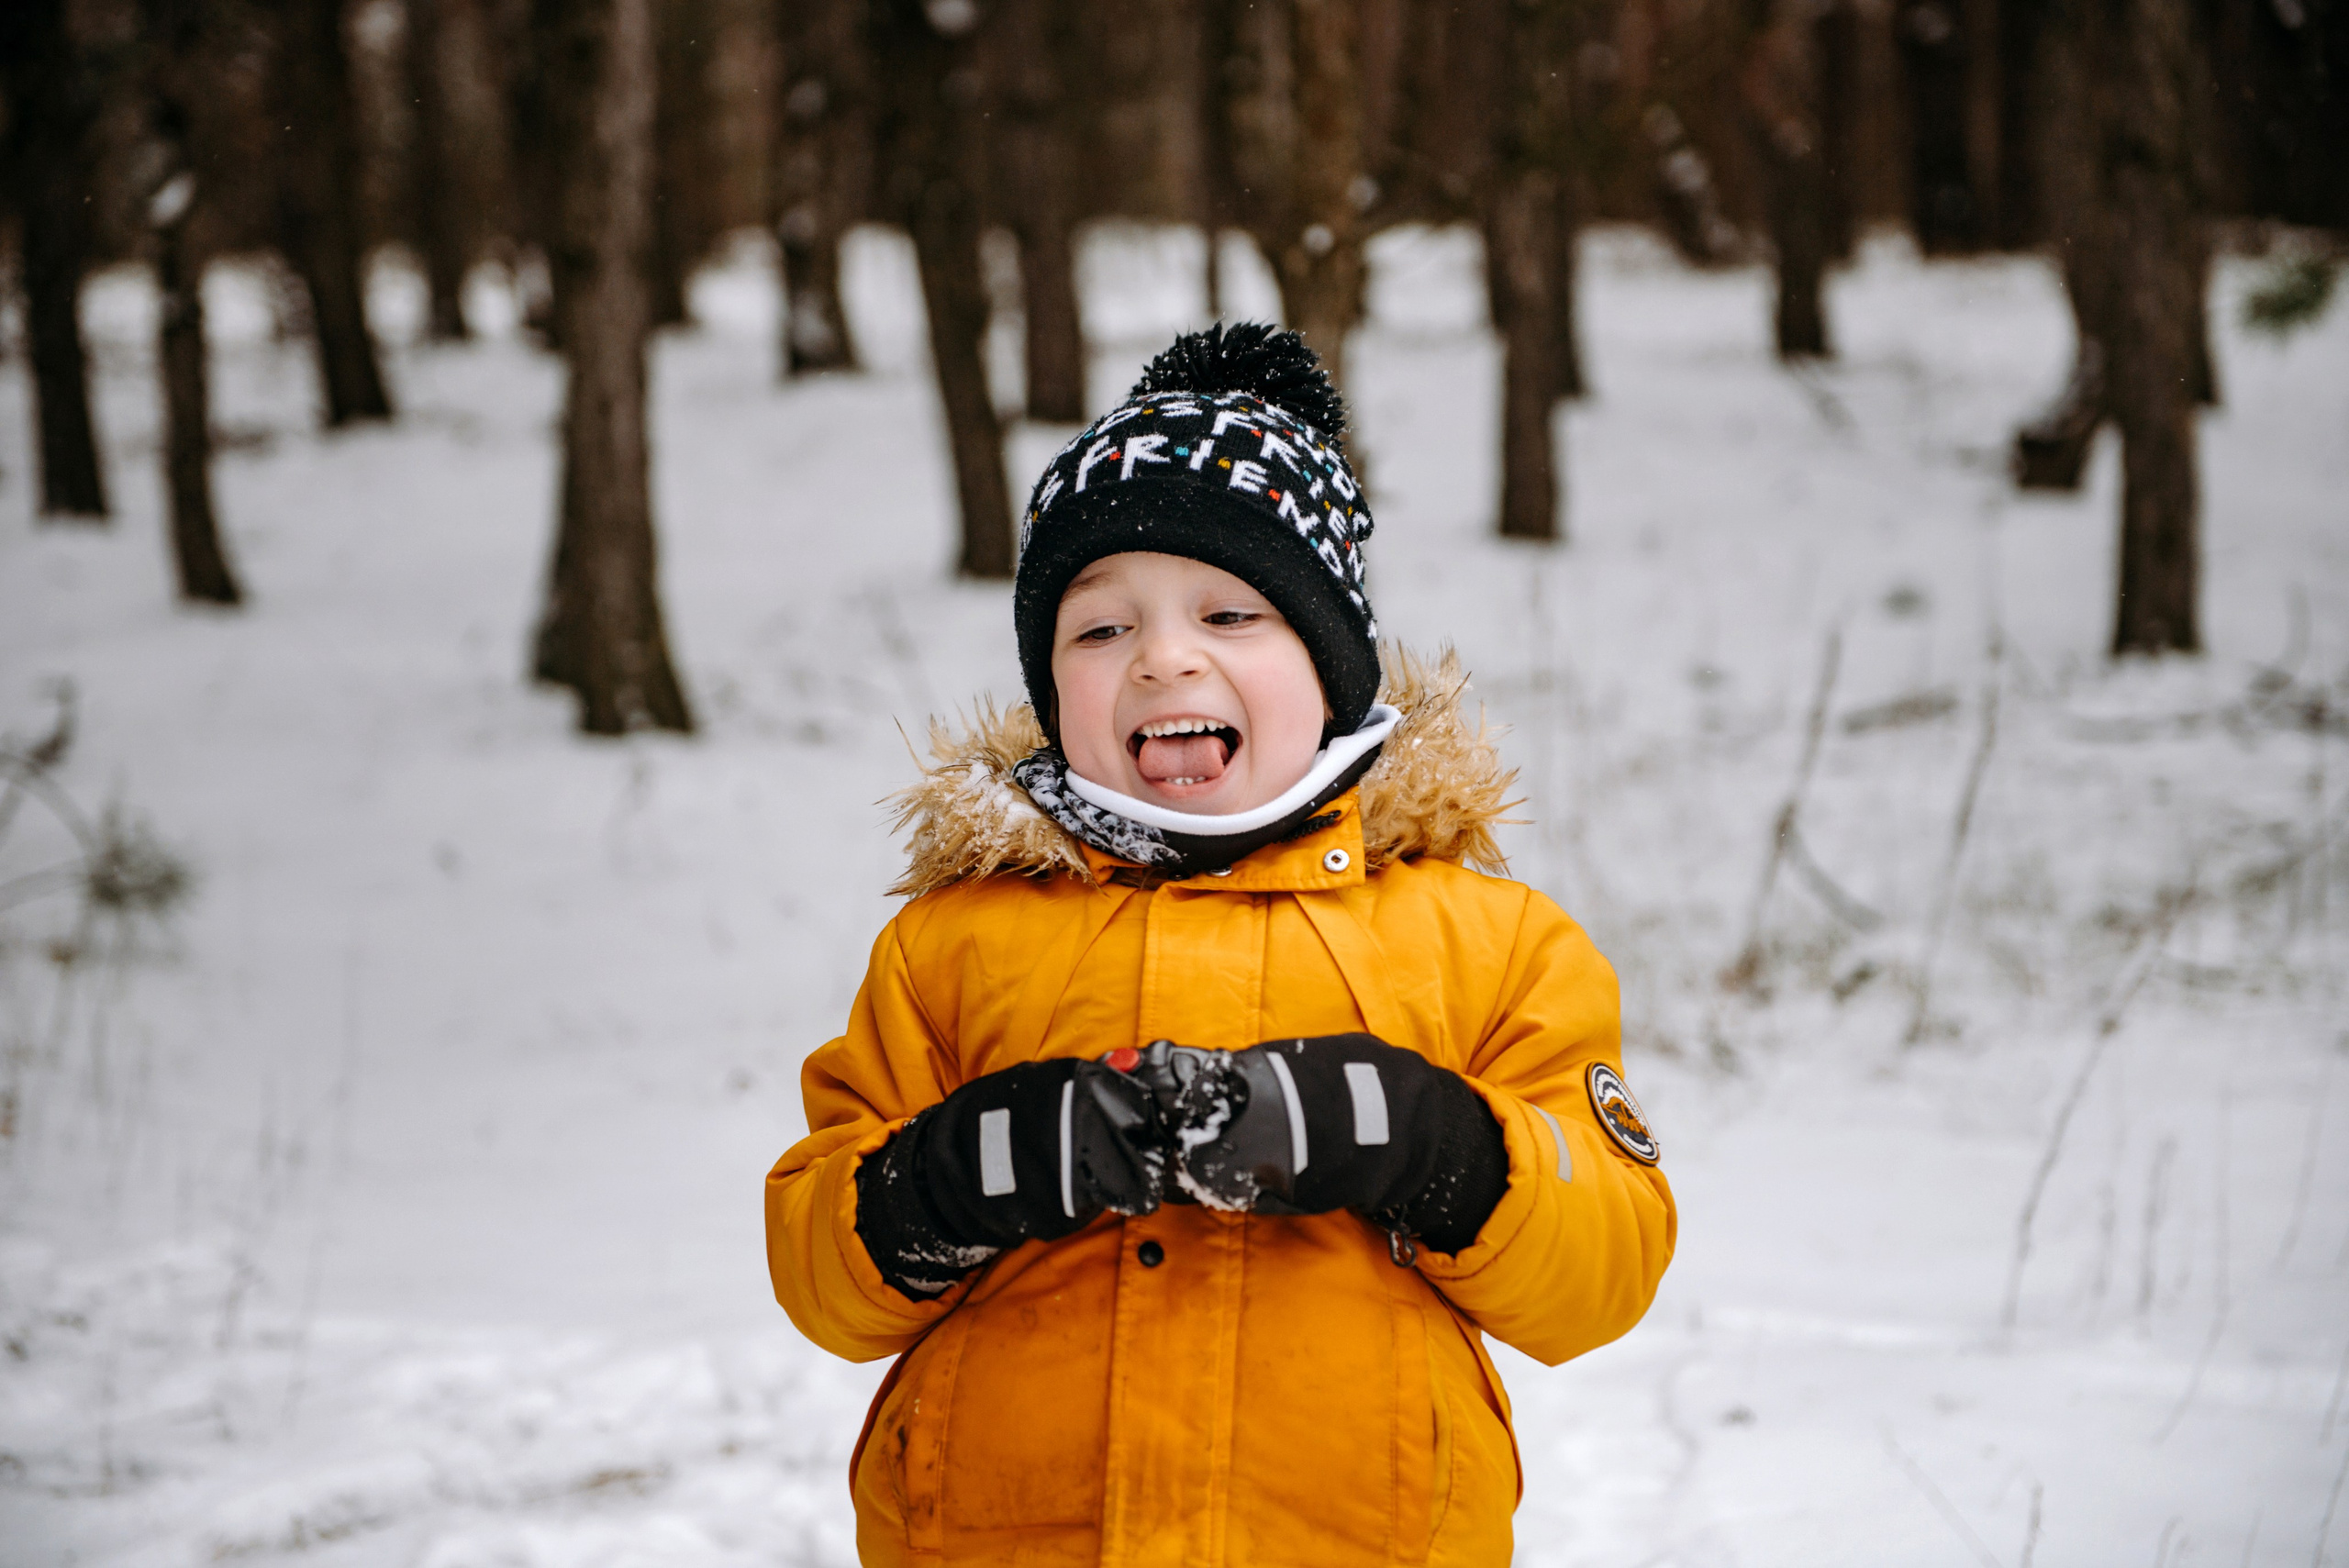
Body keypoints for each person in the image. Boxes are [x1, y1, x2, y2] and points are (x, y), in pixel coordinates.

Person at [765, 323, 1676, 1567]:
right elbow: (822, 1269)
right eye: (1098, 629)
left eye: (1229, 610)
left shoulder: (1484, 940)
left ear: (1330, 662)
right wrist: (969, 1166)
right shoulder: (954, 946)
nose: (1162, 657)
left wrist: (1430, 1138)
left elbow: (1607, 1262)